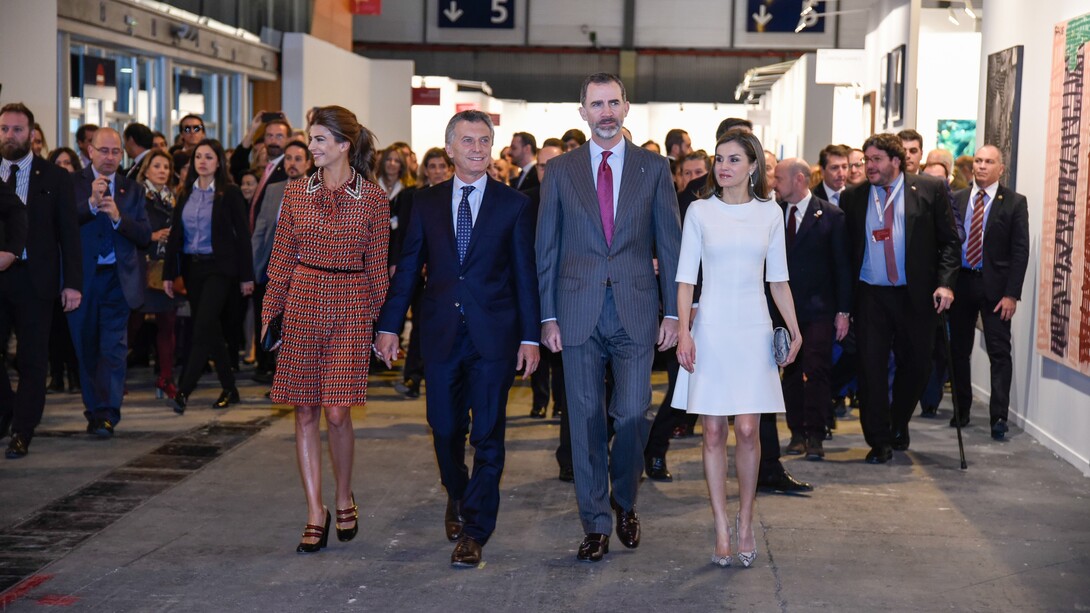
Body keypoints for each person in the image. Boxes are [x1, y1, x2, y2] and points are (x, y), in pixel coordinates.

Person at [376, 109, 538, 568]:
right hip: (442, 333)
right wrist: (389, 326)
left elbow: (526, 276)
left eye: (484, 140)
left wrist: (530, 337)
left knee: (489, 434)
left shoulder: (514, 204)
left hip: (495, 337)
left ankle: (475, 529)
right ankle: (457, 491)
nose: (477, 148)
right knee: (445, 427)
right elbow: (407, 268)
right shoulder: (424, 203)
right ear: (449, 149)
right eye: (467, 141)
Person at [536, 73, 681, 563]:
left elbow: (671, 244)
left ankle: (624, 497)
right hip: (576, 313)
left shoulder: (654, 168)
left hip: (637, 311)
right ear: (582, 112)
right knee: (585, 420)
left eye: (613, 102)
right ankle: (595, 522)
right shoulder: (559, 171)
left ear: (626, 107)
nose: (606, 112)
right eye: (596, 104)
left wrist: (675, 312)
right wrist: (548, 316)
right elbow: (547, 249)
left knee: (631, 412)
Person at [262, 106, 390, 554]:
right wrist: (269, 313)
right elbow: (280, 258)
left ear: (343, 145)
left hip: (351, 303)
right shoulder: (295, 194)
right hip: (301, 300)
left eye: (319, 139)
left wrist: (384, 327)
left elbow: (377, 271)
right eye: (310, 138)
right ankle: (316, 510)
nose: (310, 147)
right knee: (304, 410)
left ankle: (342, 494)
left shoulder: (373, 199)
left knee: (337, 411)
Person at [673, 129, 802, 568]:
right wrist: (686, 331)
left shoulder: (769, 214)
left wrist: (794, 328)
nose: (723, 167)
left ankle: (746, 522)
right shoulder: (698, 211)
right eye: (719, 159)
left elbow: (778, 278)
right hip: (710, 326)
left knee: (748, 429)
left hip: (752, 328)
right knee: (712, 431)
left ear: (752, 167)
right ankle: (721, 527)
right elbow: (686, 278)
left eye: (732, 160)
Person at [841, 133, 960, 463]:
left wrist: (946, 284)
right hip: (870, 295)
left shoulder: (929, 190)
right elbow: (845, 251)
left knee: (918, 365)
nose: (869, 166)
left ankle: (898, 421)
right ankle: (879, 438)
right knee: (871, 367)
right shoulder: (854, 197)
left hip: (915, 294)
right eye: (867, 160)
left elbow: (950, 242)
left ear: (896, 161)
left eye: (876, 160)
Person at [68, 127, 151, 438]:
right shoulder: (71, 184)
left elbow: (144, 234)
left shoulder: (133, 190)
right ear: (90, 151)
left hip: (119, 279)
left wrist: (118, 218)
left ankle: (107, 412)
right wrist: (90, 205)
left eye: (116, 152)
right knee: (86, 348)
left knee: (113, 349)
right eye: (104, 151)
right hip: (82, 280)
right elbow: (61, 226)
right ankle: (94, 408)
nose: (110, 157)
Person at [162, 139, 253, 413]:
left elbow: (243, 238)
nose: (202, 162)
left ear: (218, 163)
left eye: (209, 157)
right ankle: (230, 388)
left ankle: (183, 390)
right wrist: (169, 273)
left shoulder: (230, 193)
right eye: (198, 157)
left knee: (201, 326)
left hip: (219, 269)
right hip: (193, 268)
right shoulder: (185, 192)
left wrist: (247, 276)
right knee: (211, 329)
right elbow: (176, 236)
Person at [948, 145, 1029, 440]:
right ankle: (962, 409)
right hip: (961, 284)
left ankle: (998, 417)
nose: (982, 166)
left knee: (999, 352)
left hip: (995, 290)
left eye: (989, 162)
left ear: (1000, 168)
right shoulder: (956, 199)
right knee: (958, 351)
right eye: (979, 161)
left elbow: (1020, 252)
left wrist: (1012, 294)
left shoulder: (1014, 203)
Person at [771, 158, 851, 460]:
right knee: (788, 371)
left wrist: (843, 311)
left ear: (799, 179)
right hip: (782, 310)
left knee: (817, 371)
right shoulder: (774, 215)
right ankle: (796, 433)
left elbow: (843, 267)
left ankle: (816, 434)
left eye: (779, 178)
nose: (775, 183)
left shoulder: (831, 215)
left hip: (818, 310)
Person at [0, 102, 57, 459]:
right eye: (4, 128)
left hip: (36, 280)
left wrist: (73, 284)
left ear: (32, 134)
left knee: (33, 360)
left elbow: (67, 233)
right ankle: (8, 408)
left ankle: (23, 430)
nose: (10, 135)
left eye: (17, 129)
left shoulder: (53, 176)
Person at [388, 147, 454, 400]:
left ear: (449, 169)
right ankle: (413, 377)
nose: (437, 171)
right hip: (416, 272)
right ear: (425, 170)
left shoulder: (457, 196)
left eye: (441, 166)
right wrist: (398, 263)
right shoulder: (412, 197)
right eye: (432, 166)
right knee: (418, 326)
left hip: (444, 274)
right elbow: (402, 235)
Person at [251, 140, 313, 385]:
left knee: (297, 326)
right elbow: (261, 230)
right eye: (288, 158)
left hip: (303, 271)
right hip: (273, 267)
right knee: (273, 323)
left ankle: (293, 377)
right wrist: (254, 269)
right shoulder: (275, 189)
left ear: (308, 162)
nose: (292, 164)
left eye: (298, 159)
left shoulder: (317, 190)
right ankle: (279, 375)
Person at [130, 149, 180, 400]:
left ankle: (165, 377)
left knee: (167, 323)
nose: (162, 171)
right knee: (133, 323)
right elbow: (127, 226)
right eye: (157, 166)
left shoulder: (172, 197)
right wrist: (151, 235)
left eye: (166, 167)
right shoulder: (136, 194)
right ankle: (116, 375)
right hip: (142, 265)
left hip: (165, 267)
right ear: (146, 169)